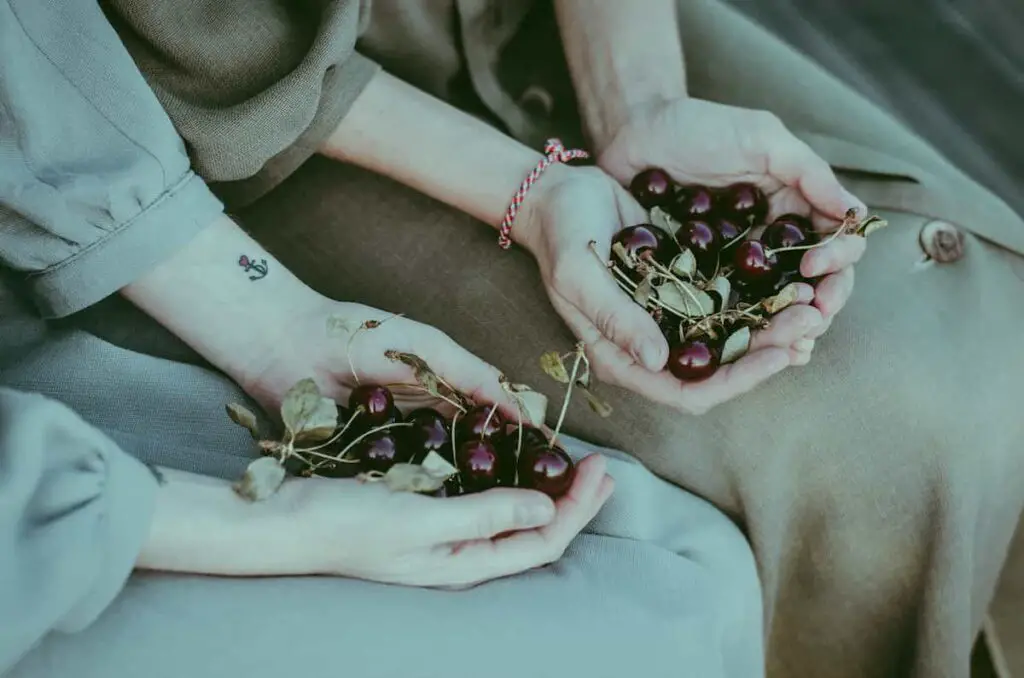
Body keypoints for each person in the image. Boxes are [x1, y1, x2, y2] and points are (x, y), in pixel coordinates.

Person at [1, 0, 1022, 677]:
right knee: (757, 503)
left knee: (978, 357)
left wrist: (642, 96)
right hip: (218, 110)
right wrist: (527, 194)